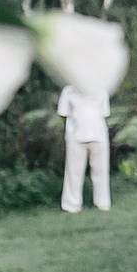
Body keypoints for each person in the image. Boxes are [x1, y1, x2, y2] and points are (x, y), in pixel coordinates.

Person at [56, 82, 112, 213]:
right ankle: (71, 205)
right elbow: (63, 114)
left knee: (101, 171)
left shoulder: (101, 90)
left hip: (99, 136)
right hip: (75, 137)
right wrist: (73, 128)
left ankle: (102, 203)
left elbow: (104, 113)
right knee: (73, 172)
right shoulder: (68, 91)